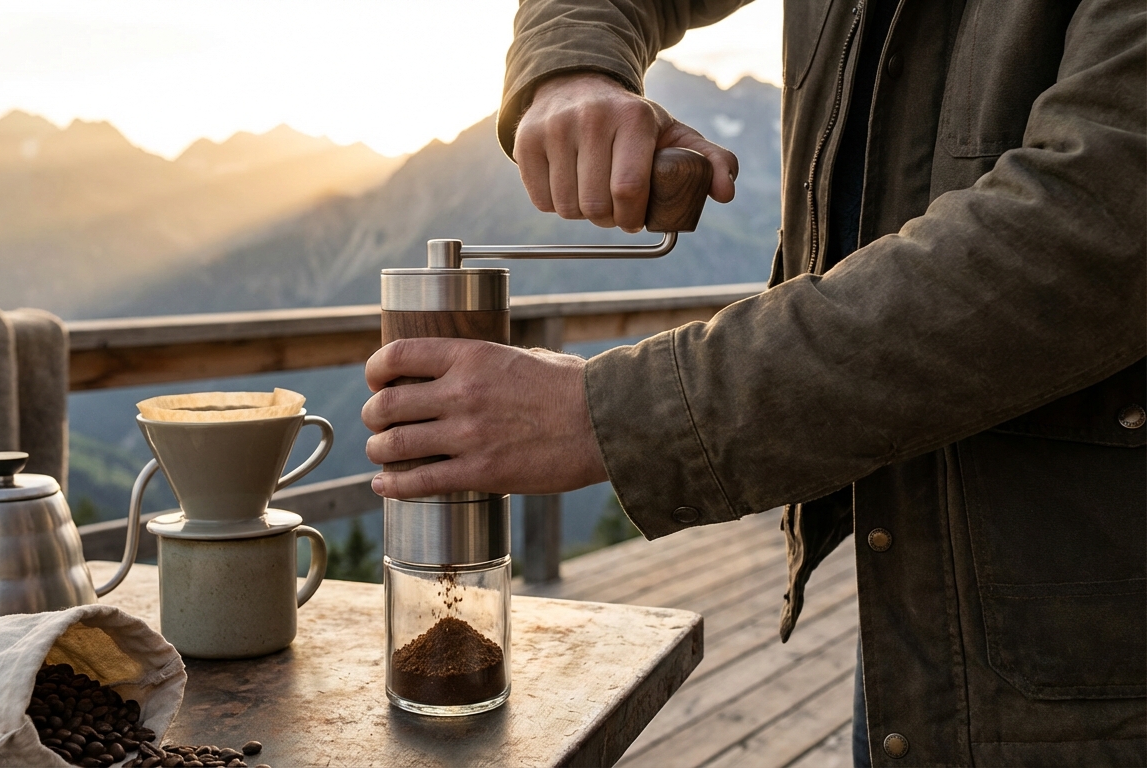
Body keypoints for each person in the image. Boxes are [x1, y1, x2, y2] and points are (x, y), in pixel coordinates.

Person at [360, 0, 1145, 765]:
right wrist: (571, 64)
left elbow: (1099, 225)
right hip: (915, 606)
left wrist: (608, 416)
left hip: (1096, 644)